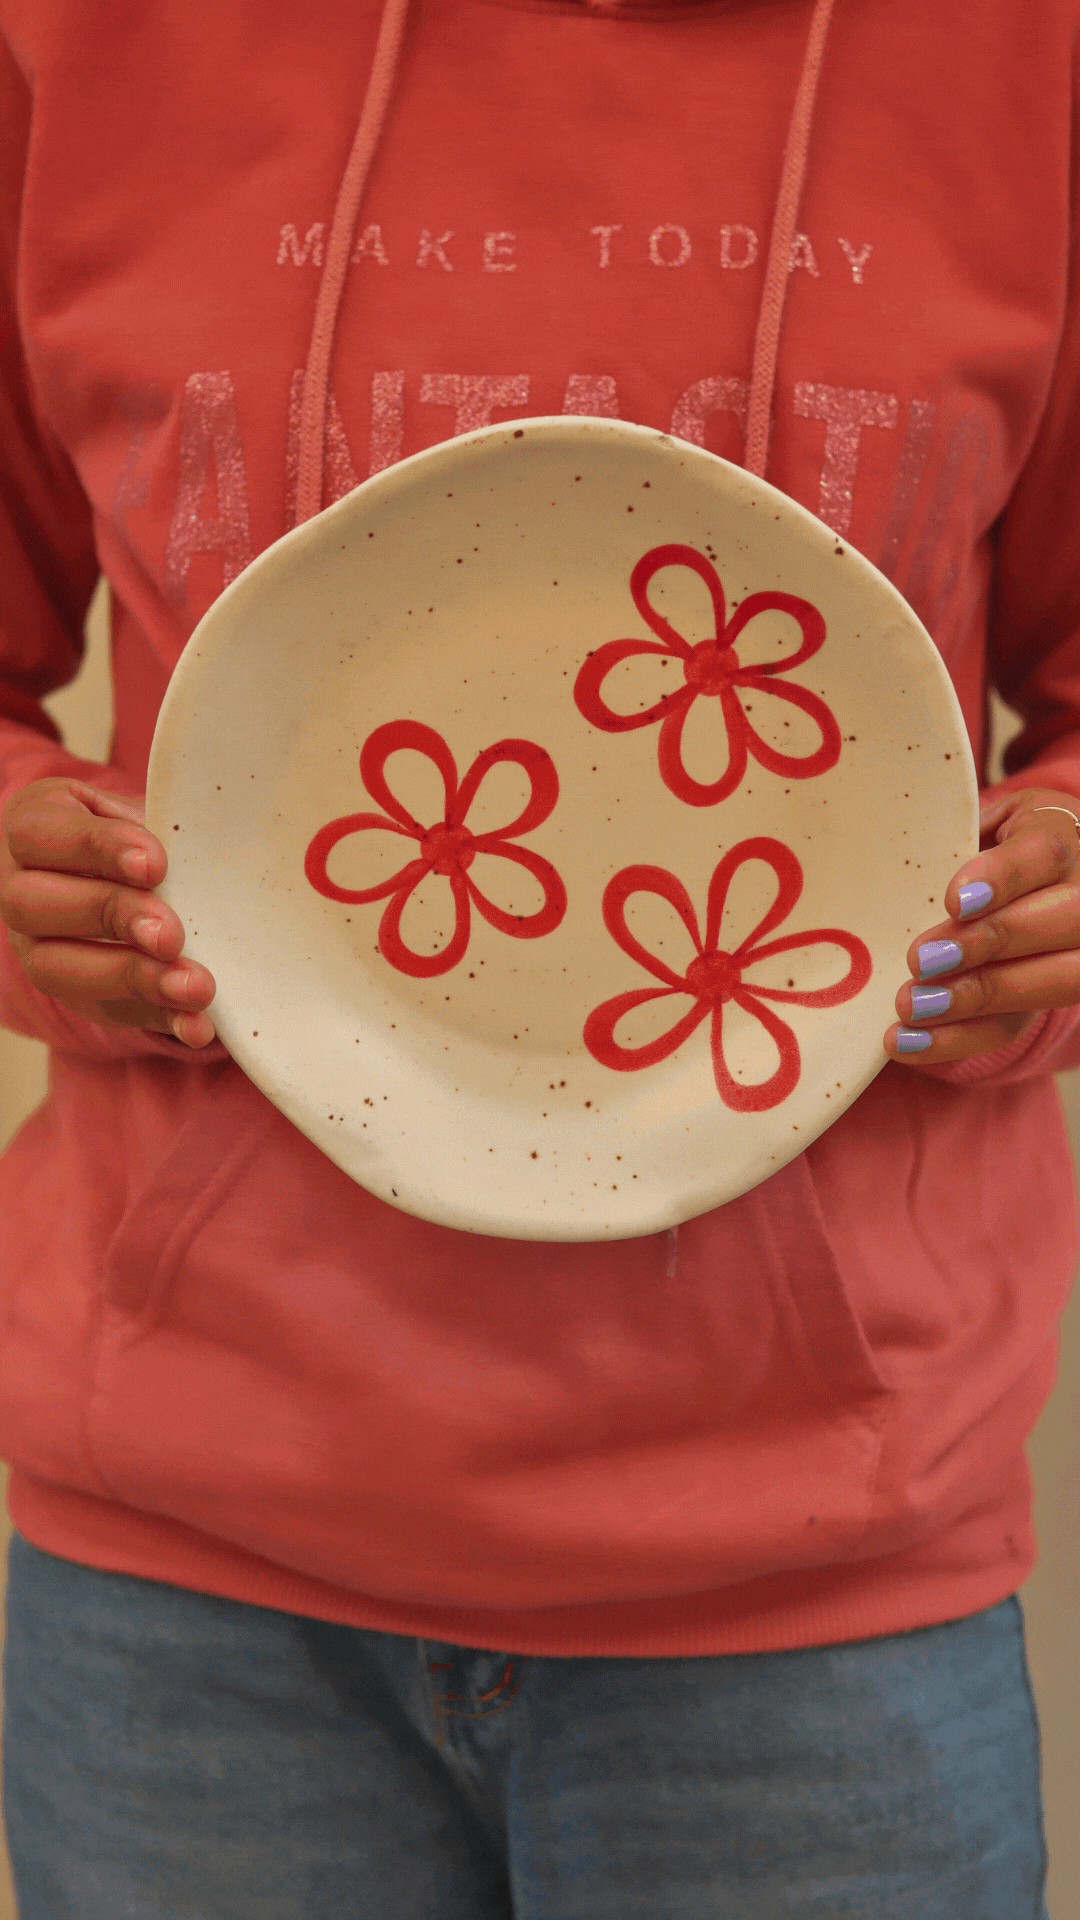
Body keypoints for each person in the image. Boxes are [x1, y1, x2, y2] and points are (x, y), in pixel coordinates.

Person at [0, 0, 1074, 1912]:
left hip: (815, 1599)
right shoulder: (83, 43)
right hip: (187, 1593)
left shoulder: (1027, 60)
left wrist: (1050, 910)